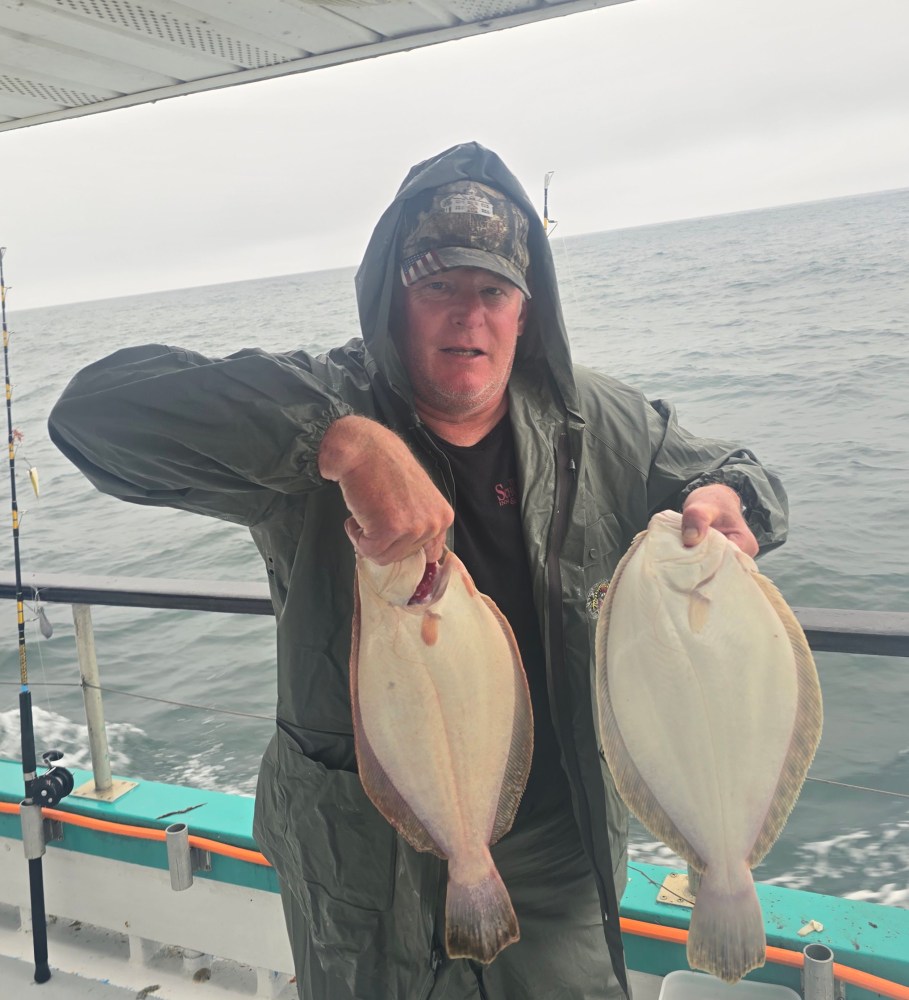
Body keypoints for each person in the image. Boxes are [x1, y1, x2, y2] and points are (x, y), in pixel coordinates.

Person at [48, 142, 788, 1000]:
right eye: (436, 286)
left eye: (492, 291)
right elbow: (92, 414)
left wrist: (726, 495)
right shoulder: (321, 402)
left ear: (525, 310)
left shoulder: (602, 424)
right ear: (391, 300)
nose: (466, 316)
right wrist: (338, 442)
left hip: (555, 854)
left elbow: (739, 474)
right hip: (362, 864)